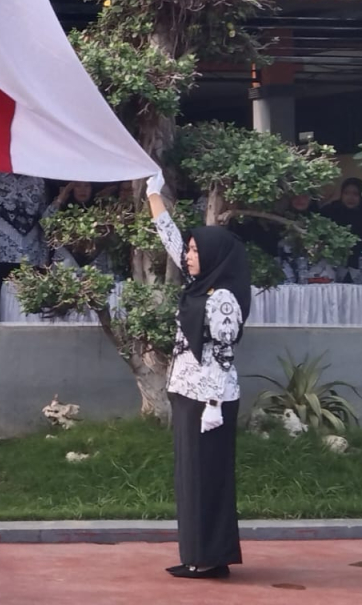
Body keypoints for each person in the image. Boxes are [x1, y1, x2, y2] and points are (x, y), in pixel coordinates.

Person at [147, 176, 250, 580]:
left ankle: (208, 557)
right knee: (191, 477)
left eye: (194, 251)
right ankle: (201, 553)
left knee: (206, 478)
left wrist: (211, 405)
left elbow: (222, 357)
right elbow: (169, 238)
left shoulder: (222, 298)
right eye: (188, 249)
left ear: (213, 256)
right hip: (188, 394)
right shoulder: (203, 286)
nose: (188, 255)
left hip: (210, 402)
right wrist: (153, 192)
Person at [0, 170, 48, 322]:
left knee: (29, 307)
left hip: (30, 253)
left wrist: (43, 255)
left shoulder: (38, 180)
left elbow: (43, 218)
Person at [320, 177, 362, 275]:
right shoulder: (331, 211)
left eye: (355, 194)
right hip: (334, 267)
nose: (350, 198)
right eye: (346, 193)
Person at [43, 181, 110, 271]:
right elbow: (45, 224)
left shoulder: (101, 211)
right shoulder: (62, 209)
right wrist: (62, 196)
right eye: (77, 186)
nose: (82, 190)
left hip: (94, 263)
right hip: (66, 261)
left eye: (87, 186)